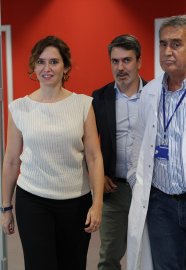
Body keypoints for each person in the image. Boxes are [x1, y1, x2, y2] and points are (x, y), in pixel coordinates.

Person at [0, 35, 104, 270]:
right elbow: (10, 161)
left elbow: (94, 157)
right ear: (33, 67)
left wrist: (97, 204)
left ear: (66, 66)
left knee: (73, 265)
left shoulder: (83, 105)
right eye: (41, 61)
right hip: (32, 200)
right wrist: (6, 207)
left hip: (76, 203)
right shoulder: (19, 108)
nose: (47, 68)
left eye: (54, 62)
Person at [127, 15, 186, 270]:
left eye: (176, 44)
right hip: (160, 203)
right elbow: (138, 142)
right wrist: (136, 181)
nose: (168, 51)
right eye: (163, 44)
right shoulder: (150, 92)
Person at [91, 34, 147, 270]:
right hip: (113, 189)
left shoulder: (154, 95)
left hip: (150, 191)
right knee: (109, 257)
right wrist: (98, 175)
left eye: (127, 60)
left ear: (139, 62)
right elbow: (89, 144)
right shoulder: (99, 97)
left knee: (148, 253)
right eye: (115, 61)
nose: (120, 68)